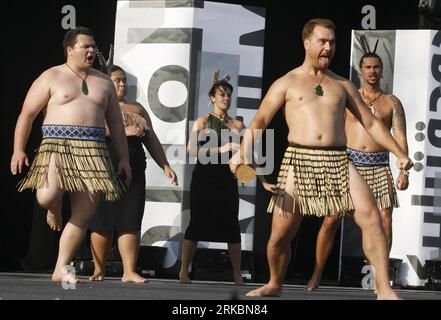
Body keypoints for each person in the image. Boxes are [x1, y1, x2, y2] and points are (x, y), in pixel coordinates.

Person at [229, 18, 412, 299]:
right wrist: (241, 153)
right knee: (280, 235)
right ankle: (275, 282)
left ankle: (384, 288)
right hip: (299, 160)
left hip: (338, 160)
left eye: (332, 42)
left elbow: (372, 124)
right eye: (322, 41)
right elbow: (261, 119)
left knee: (372, 217)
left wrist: (400, 153)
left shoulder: (342, 85)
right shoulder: (287, 82)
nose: (328, 47)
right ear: (307, 43)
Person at [10, 27, 131, 283]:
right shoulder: (51, 76)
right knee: (47, 196)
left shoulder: (104, 81)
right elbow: (27, 114)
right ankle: (54, 209)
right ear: (69, 49)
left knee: (84, 212)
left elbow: (117, 125)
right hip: (56, 145)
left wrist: (124, 159)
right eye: (85, 46)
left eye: (93, 46)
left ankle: (61, 267)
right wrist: (18, 149)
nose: (91, 51)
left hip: (94, 150)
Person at [305, 52, 409, 291]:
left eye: (376, 67)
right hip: (349, 164)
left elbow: (400, 138)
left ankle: (379, 279)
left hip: (379, 166)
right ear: (360, 71)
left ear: (382, 71)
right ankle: (317, 274)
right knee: (331, 221)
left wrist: (404, 171)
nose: (372, 71)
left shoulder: (392, 102)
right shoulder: (348, 96)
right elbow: (330, 127)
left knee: (385, 221)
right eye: (368, 67)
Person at [179, 75, 276, 285]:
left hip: (227, 181)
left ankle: (237, 274)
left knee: (232, 227)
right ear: (212, 97)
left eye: (229, 95)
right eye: (222, 94)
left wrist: (264, 181)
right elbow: (191, 149)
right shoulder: (203, 121)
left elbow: (252, 156)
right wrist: (220, 148)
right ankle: (184, 271)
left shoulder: (238, 125)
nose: (226, 98)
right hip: (204, 180)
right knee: (196, 225)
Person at [88, 65, 177, 283]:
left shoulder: (137, 108)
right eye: (117, 80)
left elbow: (151, 138)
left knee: (130, 218)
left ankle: (129, 271)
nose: (122, 84)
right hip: (106, 163)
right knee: (103, 218)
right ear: (107, 82)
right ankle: (99, 269)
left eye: (124, 80)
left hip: (135, 167)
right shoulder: (97, 103)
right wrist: (123, 131)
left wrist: (165, 164)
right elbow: (89, 127)